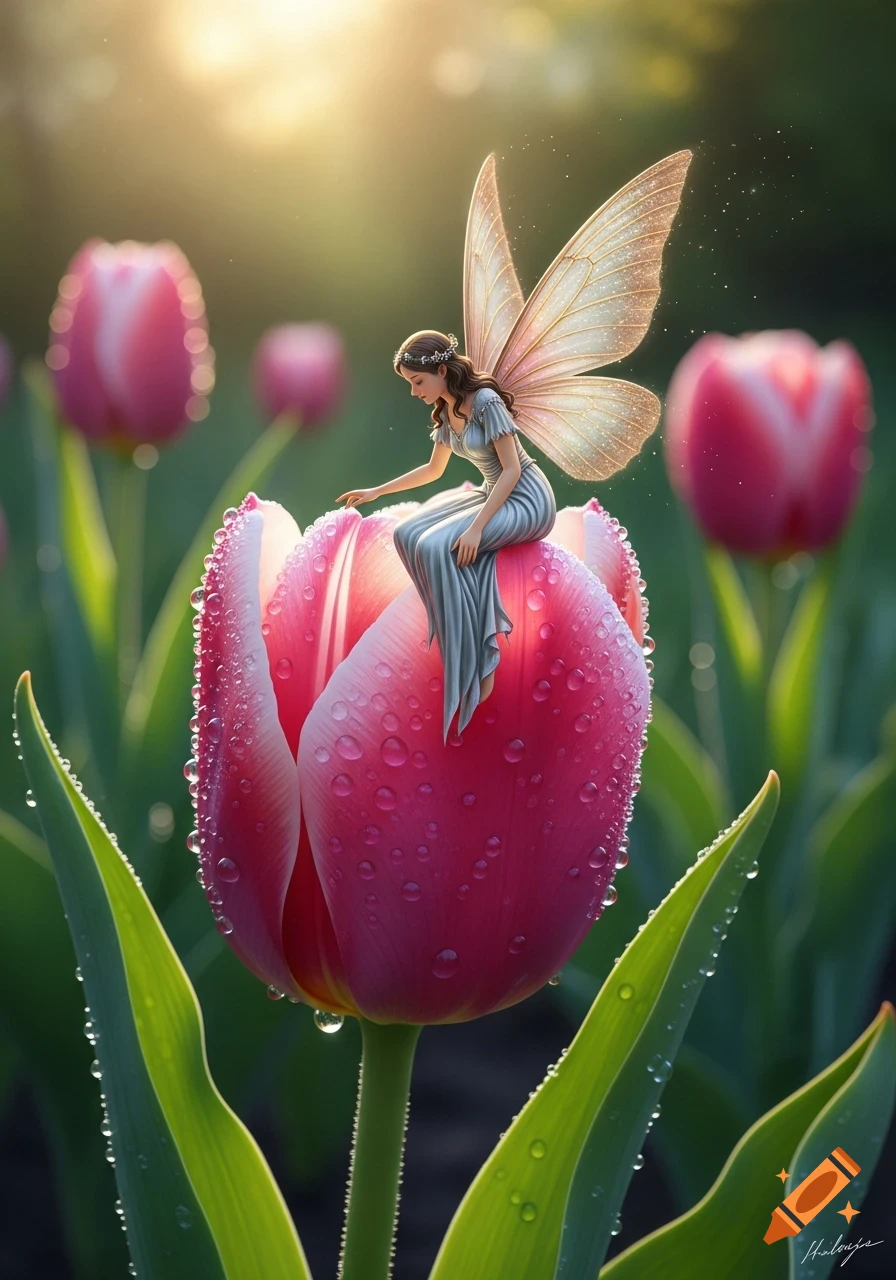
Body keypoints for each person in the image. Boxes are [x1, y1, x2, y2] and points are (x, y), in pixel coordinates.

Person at [337, 330, 557, 743]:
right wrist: (377, 491)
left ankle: (477, 658)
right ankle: (446, 620)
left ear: (441, 370)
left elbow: (511, 470)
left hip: (526, 498)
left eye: (418, 382)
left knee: (442, 545)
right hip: (493, 494)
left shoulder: (487, 403)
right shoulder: (446, 411)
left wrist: (476, 527)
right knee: (408, 533)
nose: (415, 392)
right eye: (409, 384)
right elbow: (433, 471)